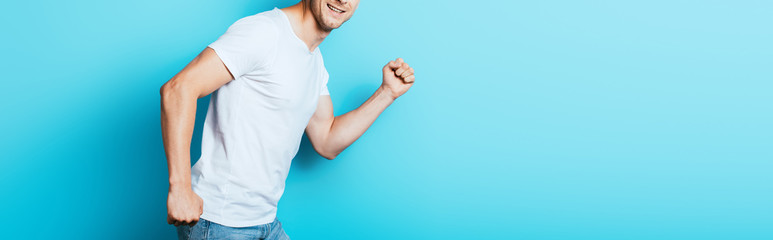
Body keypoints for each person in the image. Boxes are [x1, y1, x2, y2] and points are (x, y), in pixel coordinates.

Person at [159, 0, 415, 239]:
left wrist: (387, 93)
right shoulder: (264, 32)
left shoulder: (314, 61)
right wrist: (180, 188)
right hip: (221, 223)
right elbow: (179, 89)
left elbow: (326, 140)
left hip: (265, 221)